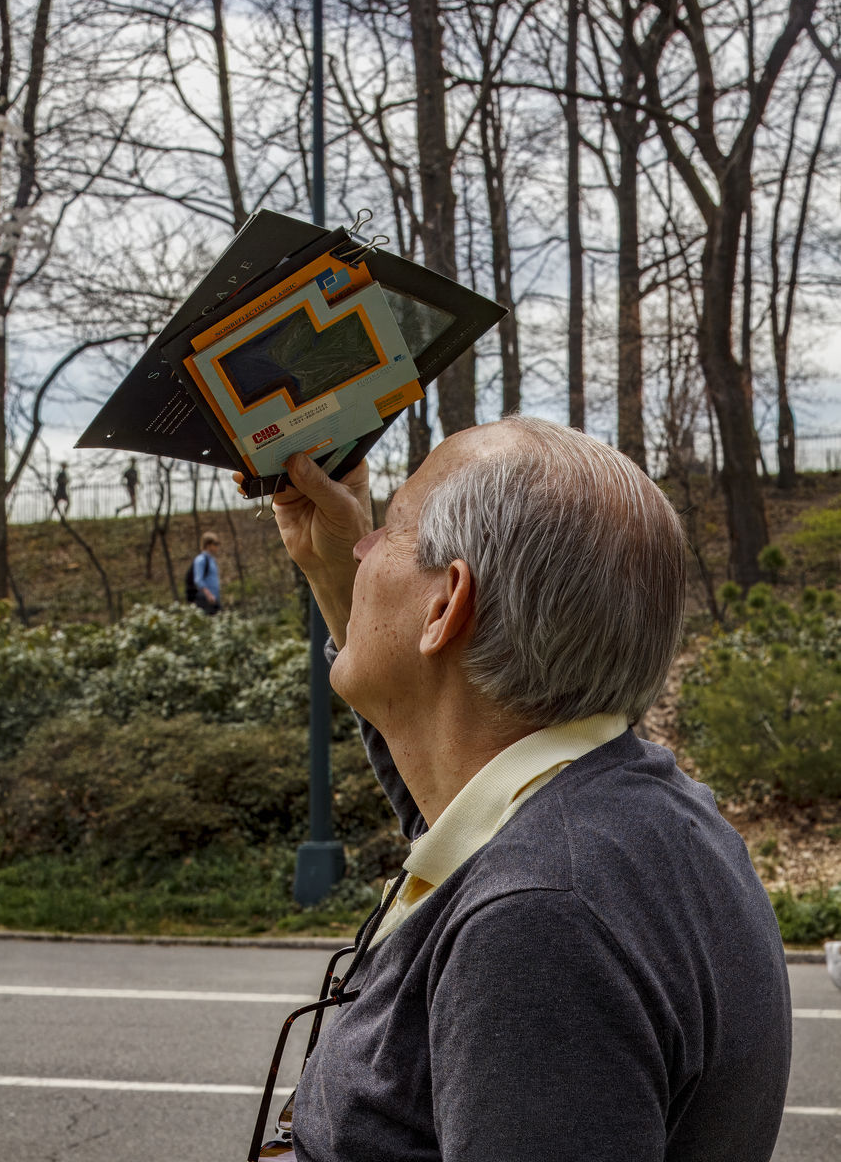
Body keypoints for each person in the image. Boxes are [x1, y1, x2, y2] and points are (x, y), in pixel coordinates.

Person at [262, 416, 791, 1162]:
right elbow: (445, 776)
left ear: (445, 604)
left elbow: (523, 891)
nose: (361, 546)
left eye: (387, 531)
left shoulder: (540, 923)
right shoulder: (630, 812)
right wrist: (330, 571)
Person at [192, 531, 221, 615]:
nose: (217, 547)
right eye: (215, 544)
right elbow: (198, 580)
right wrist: (208, 595)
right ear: (208, 545)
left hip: (215, 599)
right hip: (206, 600)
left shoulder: (212, 560)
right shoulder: (201, 560)